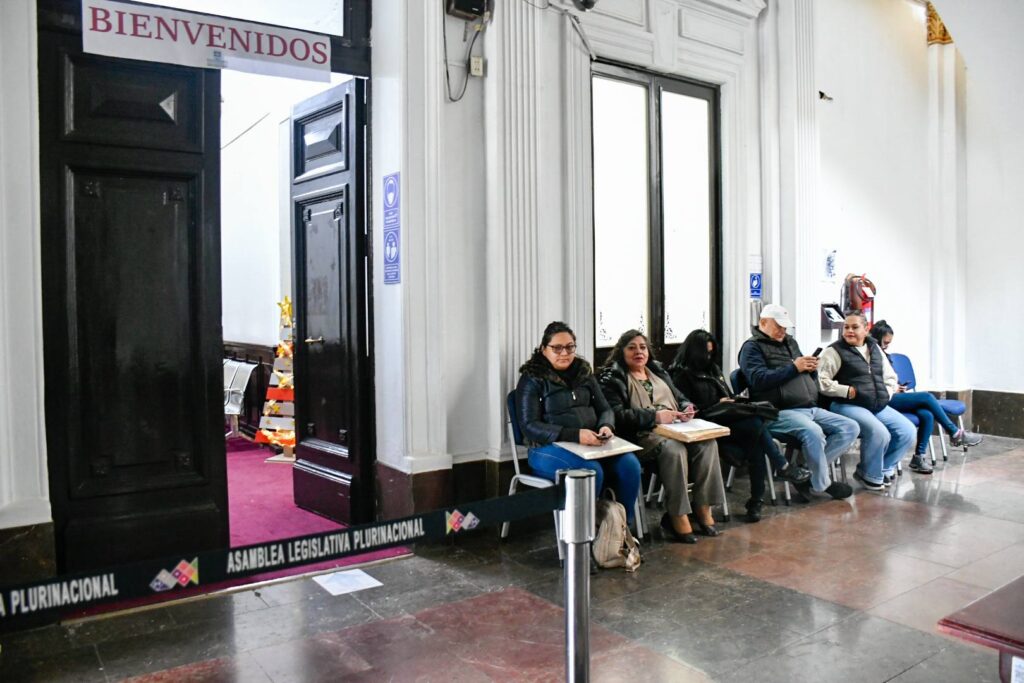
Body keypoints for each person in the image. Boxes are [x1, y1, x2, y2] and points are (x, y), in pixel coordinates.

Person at [669, 329, 811, 523]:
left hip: (726, 420)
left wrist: (731, 400)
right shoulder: (680, 375)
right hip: (704, 425)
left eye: (711, 353)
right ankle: (777, 472)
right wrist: (716, 404)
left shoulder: (713, 369)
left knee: (756, 437)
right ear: (694, 352)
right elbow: (688, 410)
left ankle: (757, 499)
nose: (708, 357)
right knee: (755, 428)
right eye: (705, 353)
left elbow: (726, 395)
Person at [598, 330, 725, 542]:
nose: (638, 352)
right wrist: (654, 416)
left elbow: (679, 397)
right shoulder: (613, 378)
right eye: (632, 348)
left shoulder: (658, 371)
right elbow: (617, 416)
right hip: (640, 436)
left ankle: (703, 508)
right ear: (621, 351)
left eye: (642, 347)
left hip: (675, 428)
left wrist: (686, 407)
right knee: (674, 449)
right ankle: (677, 514)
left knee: (708, 444)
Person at [516, 321, 642, 523]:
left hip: (590, 444)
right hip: (546, 448)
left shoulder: (584, 372)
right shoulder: (532, 378)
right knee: (591, 472)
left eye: (570, 347)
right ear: (543, 349)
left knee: (630, 465)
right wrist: (575, 435)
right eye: (557, 348)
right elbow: (529, 426)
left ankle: (620, 529)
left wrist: (606, 426)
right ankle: (585, 532)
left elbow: (605, 409)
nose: (564, 353)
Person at [738, 304, 859, 500]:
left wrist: (811, 369)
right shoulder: (751, 348)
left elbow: (801, 372)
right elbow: (757, 380)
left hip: (807, 406)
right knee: (814, 432)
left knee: (850, 427)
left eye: (785, 327)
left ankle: (804, 473)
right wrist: (794, 368)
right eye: (778, 326)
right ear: (763, 323)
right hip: (776, 410)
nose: (782, 330)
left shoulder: (790, 342)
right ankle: (821, 484)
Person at [818, 311, 917, 490]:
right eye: (846, 327)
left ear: (866, 329)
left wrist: (886, 393)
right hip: (846, 404)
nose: (849, 331)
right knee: (879, 432)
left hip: (875, 403)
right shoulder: (833, 351)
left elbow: (890, 376)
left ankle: (882, 468)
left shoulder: (874, 348)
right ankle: (869, 474)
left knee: (907, 431)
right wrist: (847, 391)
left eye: (854, 327)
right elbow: (821, 382)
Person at [870, 319, 983, 474]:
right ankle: (955, 433)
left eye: (889, 343)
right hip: (883, 399)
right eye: (885, 342)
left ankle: (919, 457)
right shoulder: (871, 355)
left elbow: (888, 379)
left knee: (927, 414)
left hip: (892, 395)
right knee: (927, 397)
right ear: (877, 339)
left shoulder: (883, 355)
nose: (887, 346)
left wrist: (898, 387)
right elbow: (872, 382)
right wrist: (893, 388)